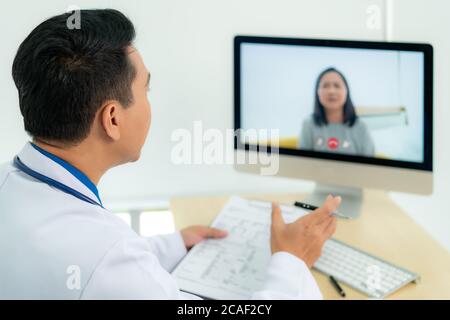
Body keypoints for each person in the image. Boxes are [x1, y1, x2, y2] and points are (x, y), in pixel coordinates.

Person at [0, 9, 340, 299]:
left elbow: (99, 269)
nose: (149, 102)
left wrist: (171, 246)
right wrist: (292, 260)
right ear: (113, 119)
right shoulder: (106, 255)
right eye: (145, 88)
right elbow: (105, 266)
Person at [299, 67, 375, 157]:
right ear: (317, 92)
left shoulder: (361, 126)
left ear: (346, 91)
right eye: (325, 86)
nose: (331, 91)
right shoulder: (309, 124)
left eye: (337, 86)